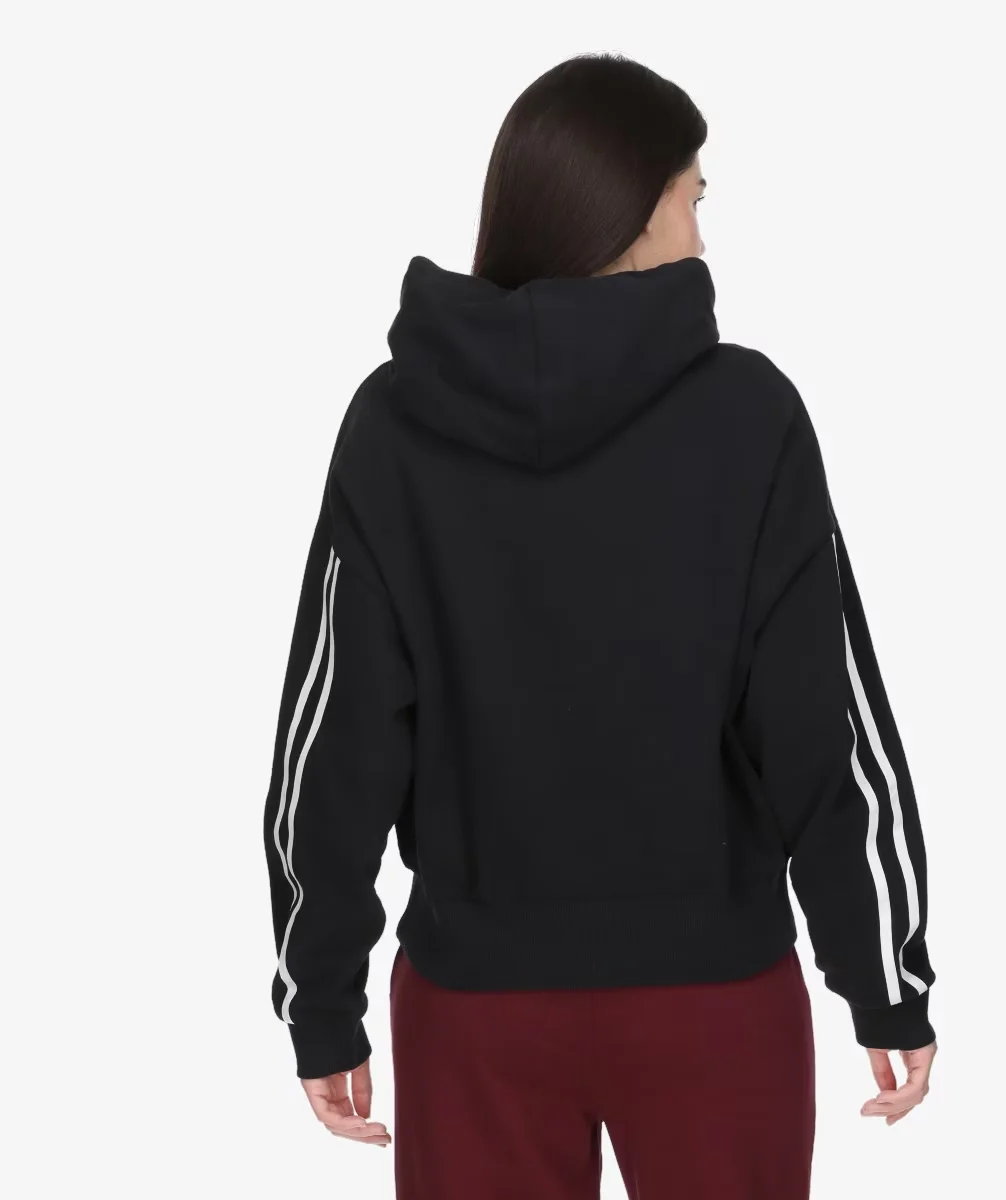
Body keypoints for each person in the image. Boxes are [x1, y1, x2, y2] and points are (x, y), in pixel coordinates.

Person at [263, 51, 937, 1199]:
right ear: (632, 209)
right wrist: (886, 978)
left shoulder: (395, 425)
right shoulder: (749, 416)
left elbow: (335, 741)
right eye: (694, 199)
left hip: (476, 1011)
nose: (703, 237)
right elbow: (824, 724)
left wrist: (319, 998)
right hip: (712, 1003)